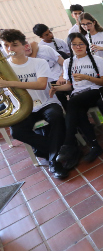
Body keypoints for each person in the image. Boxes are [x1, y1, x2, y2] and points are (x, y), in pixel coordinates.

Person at [0, 29, 67, 179]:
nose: (10, 49)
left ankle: (51, 159)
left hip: (45, 103)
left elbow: (41, 85)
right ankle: (57, 152)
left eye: (14, 45)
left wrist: (7, 83)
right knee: (16, 132)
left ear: (24, 46)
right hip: (23, 108)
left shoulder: (38, 62)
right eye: (6, 45)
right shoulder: (3, 69)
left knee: (56, 116)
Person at [52, 32, 103, 169]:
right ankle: (95, 146)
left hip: (95, 91)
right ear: (70, 46)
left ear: (86, 45)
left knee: (73, 103)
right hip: (78, 97)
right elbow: (70, 85)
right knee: (78, 111)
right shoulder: (67, 62)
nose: (78, 47)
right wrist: (56, 88)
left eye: (81, 44)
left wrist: (86, 77)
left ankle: (68, 143)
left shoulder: (96, 60)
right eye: (74, 44)